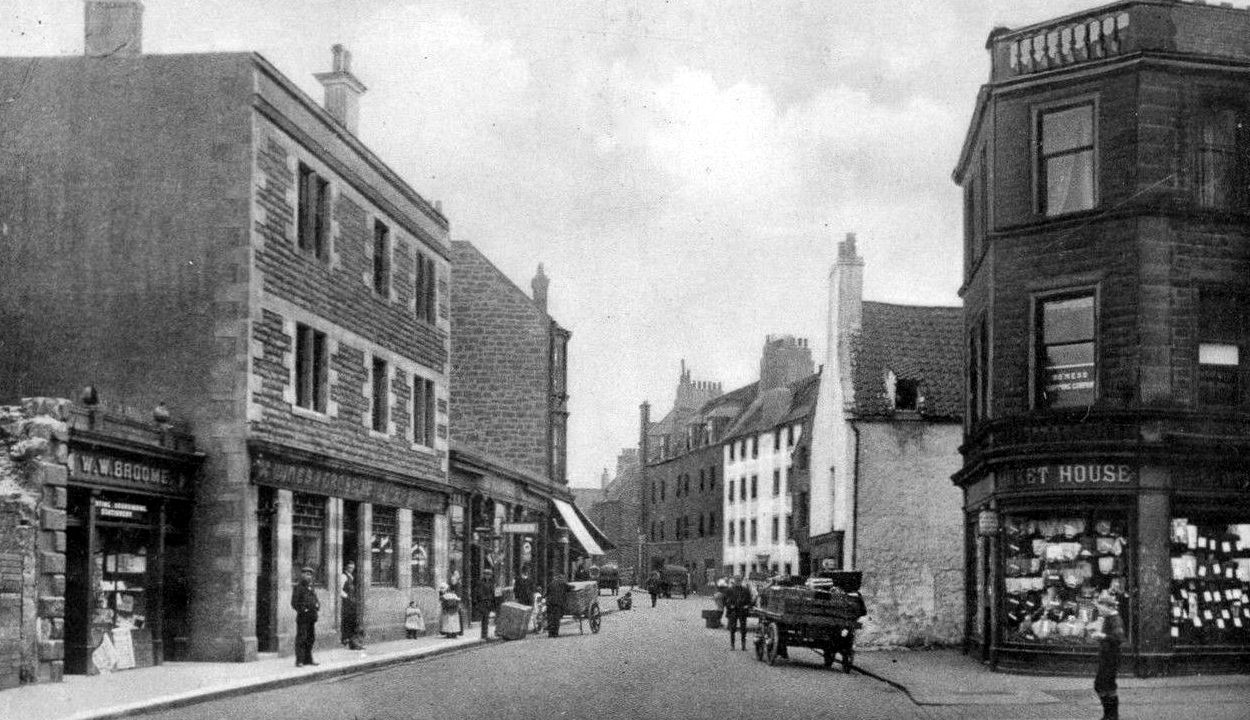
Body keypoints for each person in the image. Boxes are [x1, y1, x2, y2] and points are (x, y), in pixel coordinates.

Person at [1091, 591, 1125, 720]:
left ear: (1109, 607)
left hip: (1112, 657)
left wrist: (1102, 636)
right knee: (1103, 685)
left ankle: (1111, 715)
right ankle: (1109, 715)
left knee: (1104, 685)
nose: (1099, 610)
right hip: (1107, 656)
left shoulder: (1115, 619)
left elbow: (1119, 638)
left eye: (1101, 607)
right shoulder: (1108, 618)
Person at [291, 566, 320, 667]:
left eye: (310, 575)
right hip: (303, 618)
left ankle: (308, 659)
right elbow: (294, 603)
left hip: (311, 617)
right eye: (306, 574)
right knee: (301, 638)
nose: (308, 577)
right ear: (302, 575)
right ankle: (299, 660)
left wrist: (317, 605)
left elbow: (315, 599)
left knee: (310, 638)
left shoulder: (311, 587)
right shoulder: (298, 587)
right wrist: (304, 610)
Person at [723, 576, 754, 651]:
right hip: (733, 611)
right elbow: (724, 600)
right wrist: (730, 606)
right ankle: (732, 645)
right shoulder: (729, 590)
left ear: (741, 581)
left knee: (743, 628)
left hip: (742, 611)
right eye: (736, 580)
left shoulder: (745, 590)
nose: (738, 582)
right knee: (732, 628)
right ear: (734, 581)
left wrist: (747, 606)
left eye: (739, 580)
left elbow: (750, 600)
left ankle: (743, 646)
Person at [340, 560, 363, 650]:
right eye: (349, 567)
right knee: (347, 620)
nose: (351, 569)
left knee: (352, 620)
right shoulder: (343, 576)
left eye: (353, 568)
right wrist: (347, 597)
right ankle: (347, 639)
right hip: (346, 602)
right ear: (346, 567)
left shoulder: (351, 577)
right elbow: (339, 589)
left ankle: (353, 640)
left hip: (351, 602)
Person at [545, 573, 569, 637]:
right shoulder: (563, 584)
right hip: (558, 604)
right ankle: (555, 633)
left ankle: (550, 633)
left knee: (550, 618)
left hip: (550, 603)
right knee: (556, 619)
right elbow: (569, 588)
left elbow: (546, 593)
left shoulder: (550, 584)